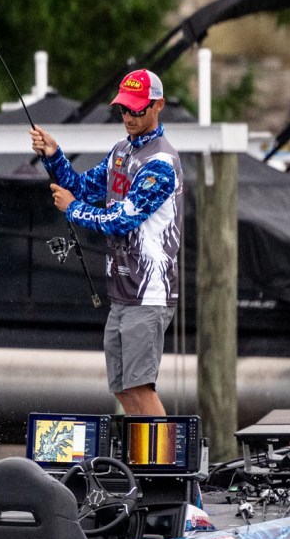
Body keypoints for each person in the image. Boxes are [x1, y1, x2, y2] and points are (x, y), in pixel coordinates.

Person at [30, 68, 183, 416]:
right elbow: (82, 188)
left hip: (149, 293)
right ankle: (142, 451)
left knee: (140, 387)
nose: (128, 116)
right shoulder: (121, 151)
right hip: (122, 294)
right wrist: (53, 155)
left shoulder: (161, 163)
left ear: (158, 106)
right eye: (123, 108)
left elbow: (121, 220)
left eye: (137, 109)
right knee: (122, 388)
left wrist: (73, 209)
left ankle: (165, 455)